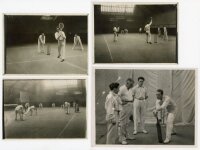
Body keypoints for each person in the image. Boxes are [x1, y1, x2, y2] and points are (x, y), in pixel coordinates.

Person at [118, 78, 135, 144]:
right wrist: (122, 102)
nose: (132, 85)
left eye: (132, 84)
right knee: (122, 123)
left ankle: (127, 136)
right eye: (131, 84)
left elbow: (131, 97)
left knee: (127, 123)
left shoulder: (130, 89)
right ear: (127, 83)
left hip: (129, 106)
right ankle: (121, 139)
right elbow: (117, 97)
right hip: (124, 107)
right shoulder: (122, 88)